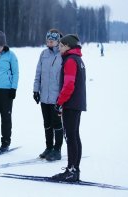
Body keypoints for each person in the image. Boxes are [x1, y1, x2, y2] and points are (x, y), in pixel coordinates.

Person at [51, 34, 87, 182]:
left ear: (67, 46)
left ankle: (71, 170)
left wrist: (60, 102)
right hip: (76, 103)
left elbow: (68, 85)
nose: (59, 48)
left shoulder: (70, 60)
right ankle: (74, 169)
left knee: (70, 137)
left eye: (61, 46)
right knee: (74, 136)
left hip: (71, 104)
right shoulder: (77, 59)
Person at [33, 29, 64, 161]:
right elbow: (38, 73)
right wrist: (35, 90)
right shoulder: (43, 54)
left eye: (52, 40)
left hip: (57, 97)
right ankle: (49, 147)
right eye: (48, 40)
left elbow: (64, 78)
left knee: (57, 123)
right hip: (44, 96)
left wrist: (62, 97)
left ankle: (57, 150)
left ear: (58, 41)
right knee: (47, 123)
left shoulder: (62, 55)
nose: (49, 42)